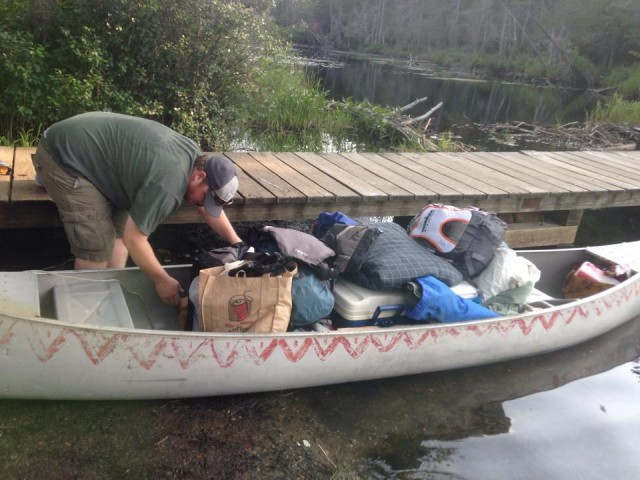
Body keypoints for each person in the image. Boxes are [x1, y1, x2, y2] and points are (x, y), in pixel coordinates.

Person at [32, 111, 243, 306]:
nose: (201, 205)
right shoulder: (167, 186)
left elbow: (205, 209)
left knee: (121, 230)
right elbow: (135, 239)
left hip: (101, 160)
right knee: (95, 249)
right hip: (62, 156)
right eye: (203, 199)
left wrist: (238, 244)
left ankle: (109, 298)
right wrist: (161, 280)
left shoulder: (195, 160)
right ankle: (87, 314)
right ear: (199, 177)